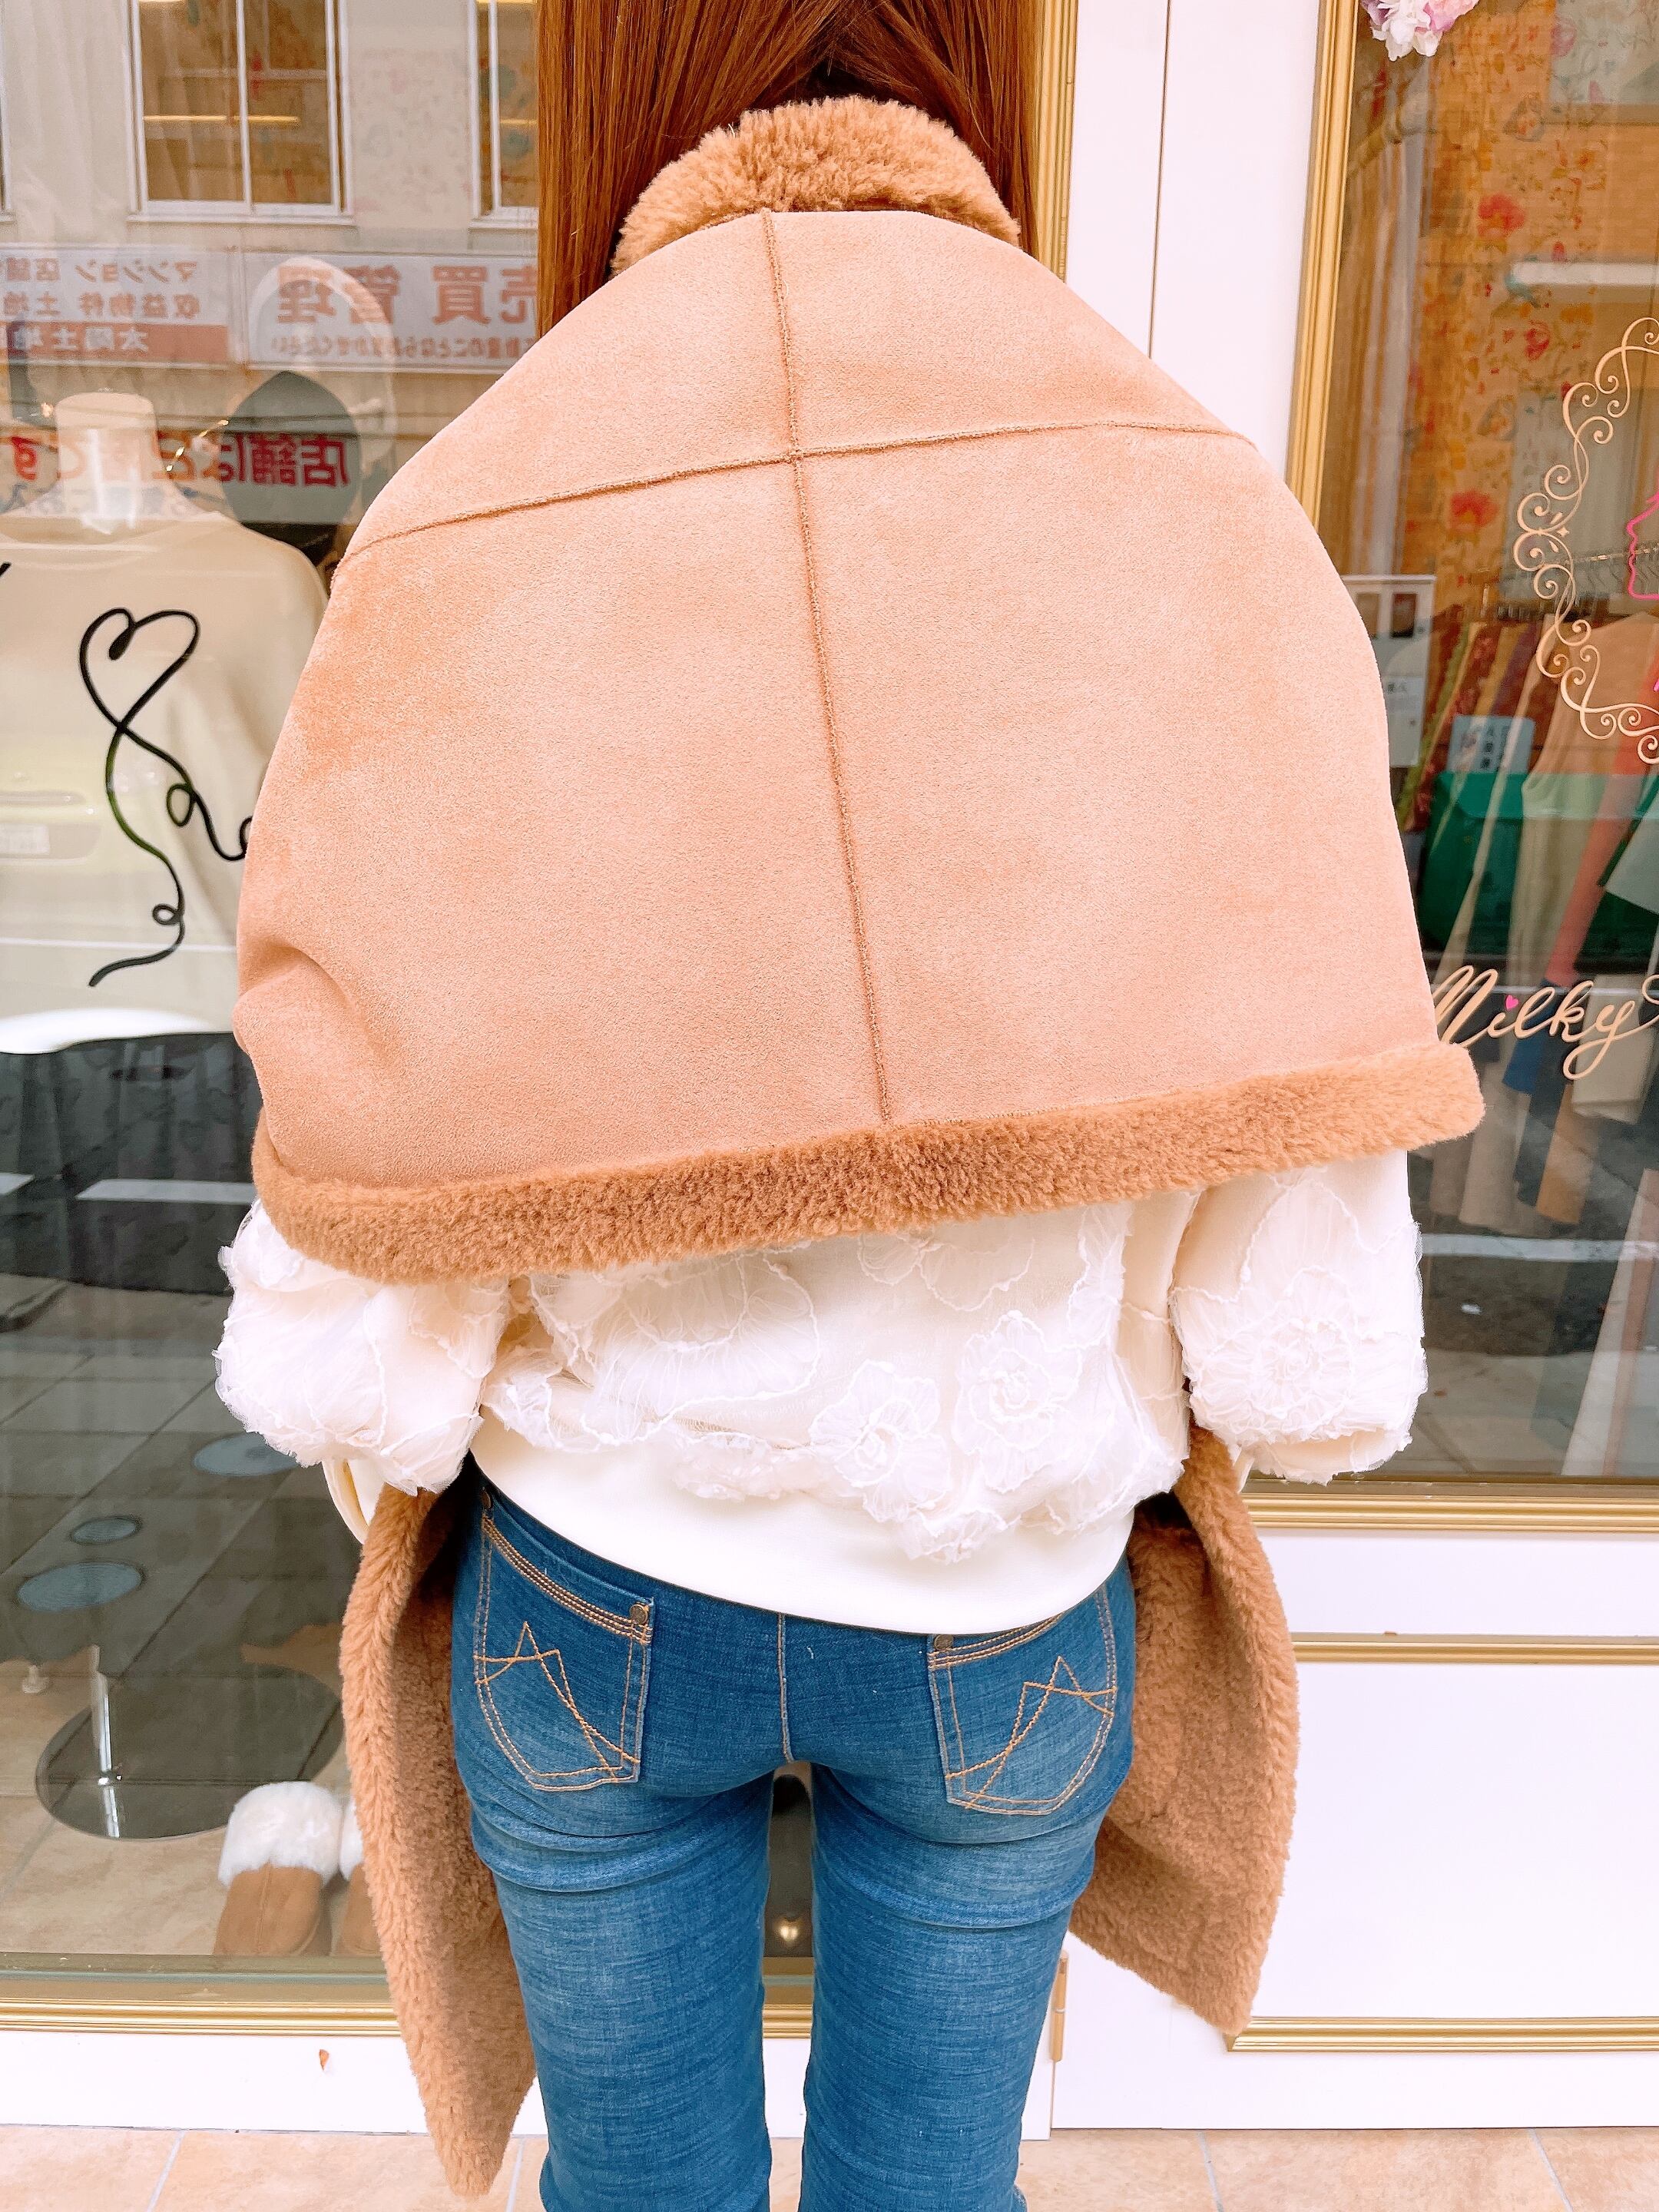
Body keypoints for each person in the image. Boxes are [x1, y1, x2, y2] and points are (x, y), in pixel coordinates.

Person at [216, 3, 1482, 2206]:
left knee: (641, 2187)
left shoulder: (485, 499)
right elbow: (1298, 1044)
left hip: (599, 1560)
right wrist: (1256, 1357)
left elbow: (381, 1080)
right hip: (1004, 1577)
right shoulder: (1176, 478)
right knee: (932, 2186)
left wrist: (385, 1380)